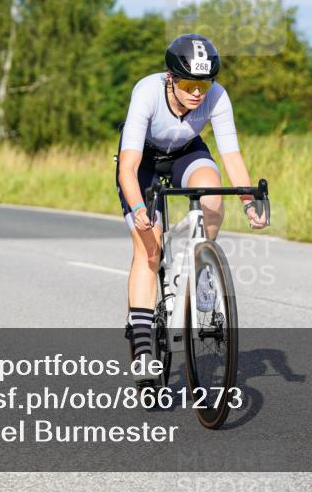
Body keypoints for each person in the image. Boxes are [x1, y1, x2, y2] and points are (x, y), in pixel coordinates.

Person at [115, 34, 267, 380]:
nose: (197, 93)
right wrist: (139, 207)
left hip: (186, 152)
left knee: (212, 194)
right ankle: (142, 347)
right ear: (170, 79)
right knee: (149, 247)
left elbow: (231, 154)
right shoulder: (147, 91)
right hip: (144, 160)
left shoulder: (217, 96)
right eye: (188, 83)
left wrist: (248, 203)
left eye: (204, 83)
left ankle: (202, 268)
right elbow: (128, 166)